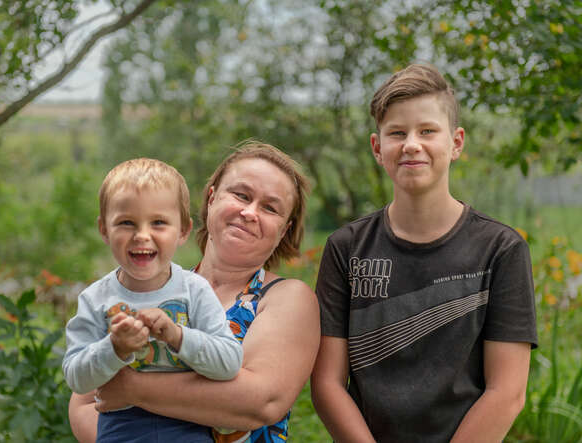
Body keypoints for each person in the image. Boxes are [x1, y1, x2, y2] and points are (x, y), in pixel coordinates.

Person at [311, 63, 538, 443]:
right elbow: (327, 383)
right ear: (377, 148)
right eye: (397, 133)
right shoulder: (346, 248)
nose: (411, 144)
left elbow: (507, 392)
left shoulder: (501, 250)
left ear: (456, 143)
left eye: (428, 131)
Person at [67, 141, 321, 443]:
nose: (249, 212)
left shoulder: (286, 297)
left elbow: (261, 402)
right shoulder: (154, 286)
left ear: (283, 229)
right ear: (211, 198)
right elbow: (83, 402)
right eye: (241, 195)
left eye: (270, 208)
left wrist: (132, 389)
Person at [62, 158, 243, 442]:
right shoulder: (95, 298)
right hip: (121, 429)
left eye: (158, 222)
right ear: (104, 229)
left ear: (183, 230)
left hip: (188, 423)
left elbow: (229, 362)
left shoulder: (194, 290)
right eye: (126, 223)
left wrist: (177, 335)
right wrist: (114, 348)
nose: (142, 235)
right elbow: (76, 377)